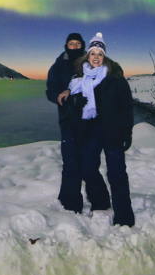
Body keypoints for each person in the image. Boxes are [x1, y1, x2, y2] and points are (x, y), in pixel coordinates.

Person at [64, 32, 135, 227]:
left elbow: (126, 107)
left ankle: (124, 218)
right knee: (87, 170)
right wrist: (74, 102)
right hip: (90, 132)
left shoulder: (115, 78)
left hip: (113, 132)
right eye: (93, 53)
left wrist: (127, 131)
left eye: (100, 53)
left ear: (105, 57)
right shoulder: (80, 78)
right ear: (88, 55)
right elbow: (72, 105)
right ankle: (101, 202)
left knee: (117, 174)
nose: (96, 57)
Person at [45, 32, 96, 213]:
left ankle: (98, 201)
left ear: (82, 45)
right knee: (70, 162)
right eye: (71, 43)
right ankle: (69, 203)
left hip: (91, 120)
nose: (74, 46)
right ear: (66, 45)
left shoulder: (90, 62)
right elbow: (51, 91)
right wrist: (66, 99)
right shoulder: (59, 65)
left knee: (90, 163)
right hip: (68, 119)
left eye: (77, 43)